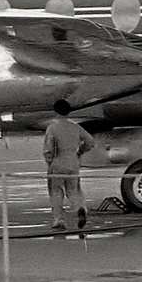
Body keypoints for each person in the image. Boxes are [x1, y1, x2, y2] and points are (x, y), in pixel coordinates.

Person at [42, 99, 95, 231]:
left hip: (58, 163)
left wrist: (50, 161)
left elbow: (48, 149)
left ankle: (58, 220)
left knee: (56, 193)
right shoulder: (75, 127)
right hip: (73, 163)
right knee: (74, 191)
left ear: (55, 111)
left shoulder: (53, 128)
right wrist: (80, 152)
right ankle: (80, 209)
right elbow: (90, 141)